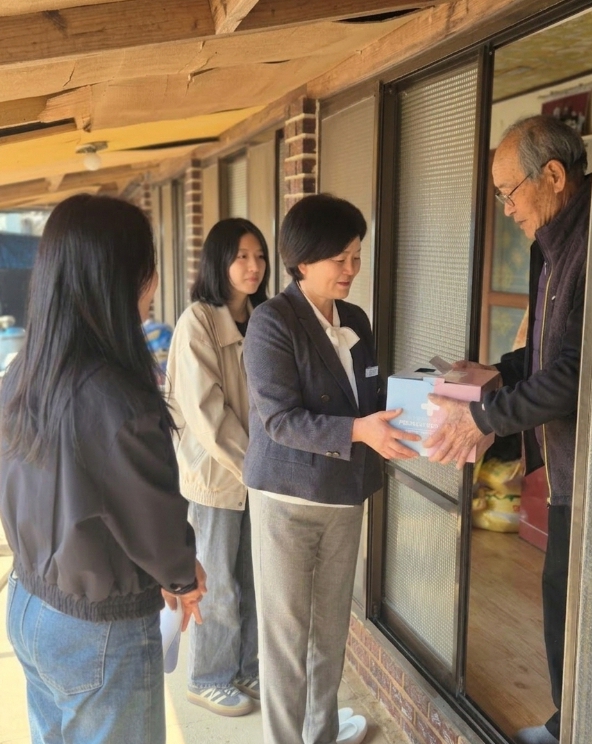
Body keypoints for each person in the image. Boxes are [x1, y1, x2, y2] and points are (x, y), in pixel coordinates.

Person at [0, 194, 207, 744]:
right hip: (97, 628)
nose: (154, 283)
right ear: (120, 279)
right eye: (146, 268)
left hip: (30, 601)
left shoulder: (24, 373)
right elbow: (153, 517)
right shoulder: (114, 396)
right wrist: (183, 577)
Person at [424, 115, 590, 744]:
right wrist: (491, 376)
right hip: (569, 465)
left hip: (589, 469)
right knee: (562, 601)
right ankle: (568, 722)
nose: (507, 208)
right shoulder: (552, 243)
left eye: (509, 192)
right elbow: (547, 356)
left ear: (554, 175)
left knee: (576, 608)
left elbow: (577, 373)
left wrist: (483, 419)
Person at [243, 193, 420, 744]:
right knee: (286, 641)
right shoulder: (272, 322)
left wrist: (425, 400)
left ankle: (319, 735)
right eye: (340, 258)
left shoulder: (356, 319)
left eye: (357, 256)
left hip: (344, 495)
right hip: (287, 500)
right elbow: (279, 419)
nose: (352, 268)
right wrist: (360, 431)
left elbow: (368, 396)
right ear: (303, 259)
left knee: (330, 633)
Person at [166, 218, 269, 716]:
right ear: (219, 261)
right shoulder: (198, 322)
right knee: (219, 583)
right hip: (216, 477)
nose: (253, 266)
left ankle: (246, 668)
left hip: (260, 476)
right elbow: (208, 414)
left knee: (252, 578)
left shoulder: (264, 317)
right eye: (241, 256)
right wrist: (258, 468)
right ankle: (206, 677)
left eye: (260, 256)